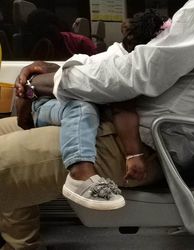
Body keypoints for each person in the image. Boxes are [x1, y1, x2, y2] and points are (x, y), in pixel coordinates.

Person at [0, 0, 194, 249]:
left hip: (133, 143)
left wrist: (50, 81)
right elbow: (127, 62)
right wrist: (61, 71)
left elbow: (135, 75)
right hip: (109, 125)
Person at [18, 9, 166, 211]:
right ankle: (80, 174)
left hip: (54, 102)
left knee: (87, 108)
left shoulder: (119, 56)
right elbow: (123, 109)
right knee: (83, 108)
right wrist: (134, 156)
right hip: (44, 106)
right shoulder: (120, 67)